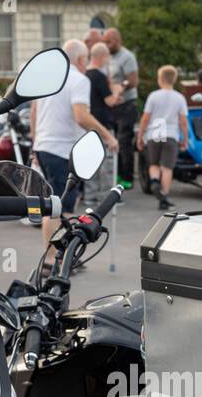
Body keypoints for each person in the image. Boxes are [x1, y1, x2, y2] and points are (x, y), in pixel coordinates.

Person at [31, 39, 119, 257]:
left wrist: (35, 142)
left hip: (45, 146)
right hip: (62, 150)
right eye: (86, 59)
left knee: (56, 205)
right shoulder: (79, 80)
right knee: (61, 208)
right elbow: (81, 116)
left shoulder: (50, 79)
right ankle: (53, 260)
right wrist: (107, 136)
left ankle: (57, 257)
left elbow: (34, 111)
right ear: (81, 59)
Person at [137, 65, 188, 210]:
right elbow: (183, 121)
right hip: (171, 135)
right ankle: (164, 197)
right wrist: (185, 139)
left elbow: (145, 119)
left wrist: (140, 136)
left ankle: (154, 181)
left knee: (153, 164)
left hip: (154, 135)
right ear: (174, 79)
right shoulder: (179, 98)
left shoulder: (153, 96)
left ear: (160, 79)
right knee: (167, 168)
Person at [84, 42, 122, 206]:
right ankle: (106, 197)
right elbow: (110, 100)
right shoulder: (98, 76)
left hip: (88, 123)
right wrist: (118, 90)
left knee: (90, 161)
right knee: (106, 161)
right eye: (107, 57)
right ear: (101, 57)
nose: (108, 61)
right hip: (103, 124)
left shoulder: (85, 74)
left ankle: (89, 196)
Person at [104, 28, 139, 188]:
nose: (106, 45)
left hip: (127, 105)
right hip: (113, 106)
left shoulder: (127, 56)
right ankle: (116, 174)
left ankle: (127, 178)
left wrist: (120, 87)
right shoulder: (108, 57)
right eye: (104, 41)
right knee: (114, 140)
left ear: (117, 41)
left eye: (108, 42)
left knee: (124, 141)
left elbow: (133, 80)